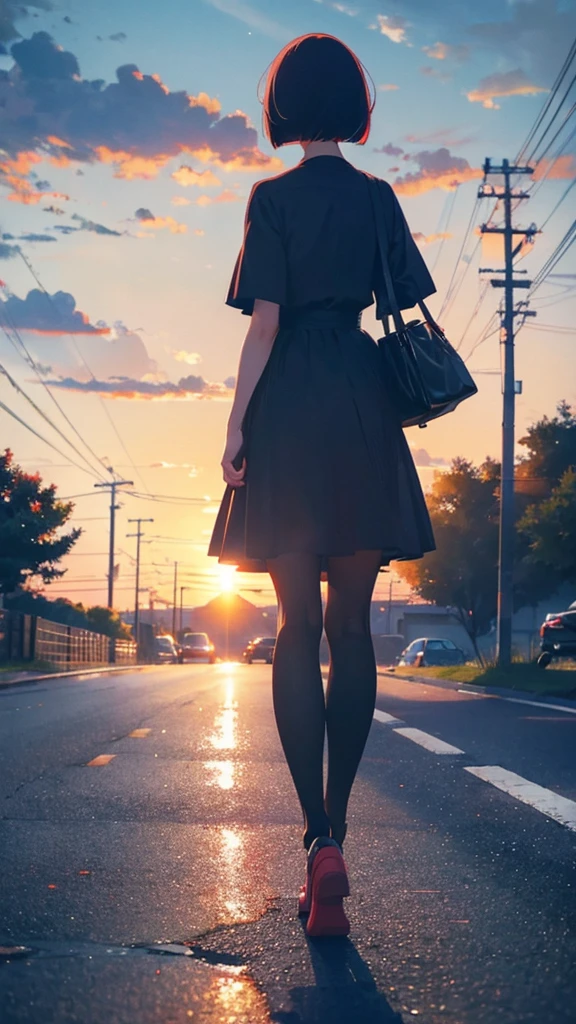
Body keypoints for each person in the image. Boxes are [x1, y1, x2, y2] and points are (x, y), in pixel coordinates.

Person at [208, 32, 436, 937]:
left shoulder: (271, 200)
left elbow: (263, 326)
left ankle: (316, 840)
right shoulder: (379, 200)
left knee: (297, 627)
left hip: (290, 415)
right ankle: (342, 828)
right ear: (356, 107)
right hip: (361, 408)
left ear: (284, 109)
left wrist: (235, 427)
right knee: (353, 627)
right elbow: (400, 303)